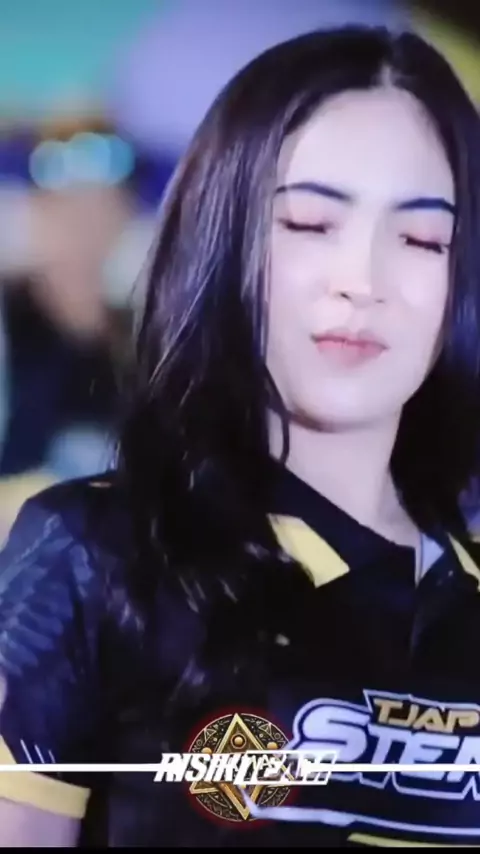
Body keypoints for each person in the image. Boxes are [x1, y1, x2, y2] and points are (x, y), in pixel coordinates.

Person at [0, 24, 479, 848]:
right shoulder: (94, 557)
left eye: (420, 238)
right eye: (309, 223)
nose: (362, 281)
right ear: (219, 237)